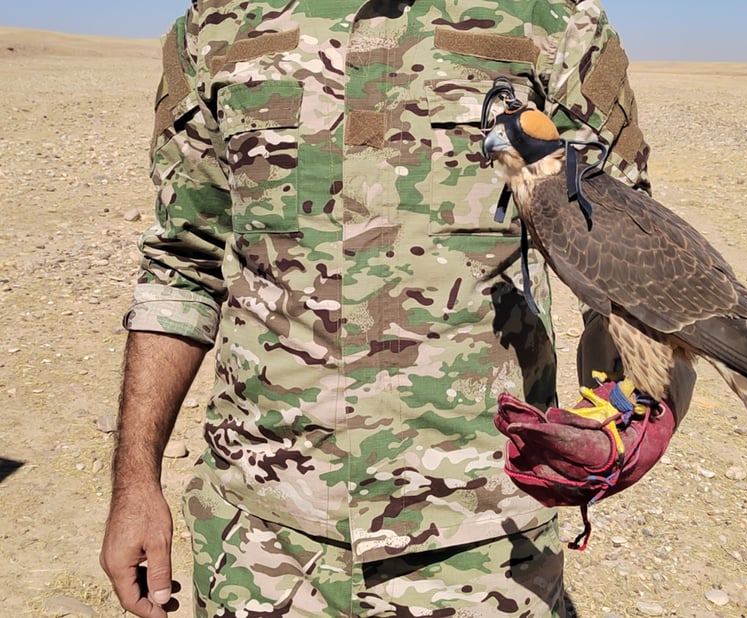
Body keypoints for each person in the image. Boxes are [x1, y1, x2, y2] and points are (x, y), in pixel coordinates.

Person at [99, 1, 652, 616]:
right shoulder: (216, 25)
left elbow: (627, 249)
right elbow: (183, 266)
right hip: (259, 540)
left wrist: (638, 412)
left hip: (481, 543)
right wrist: (134, 484)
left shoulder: (549, 21)